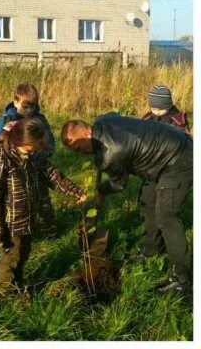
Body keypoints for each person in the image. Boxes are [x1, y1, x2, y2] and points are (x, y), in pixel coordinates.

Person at [62, 113, 193, 293]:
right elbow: (114, 116)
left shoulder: (110, 153)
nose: (80, 153)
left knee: (166, 216)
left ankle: (182, 279)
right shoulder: (101, 120)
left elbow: (119, 184)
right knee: (147, 203)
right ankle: (150, 250)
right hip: (159, 157)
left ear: (86, 134)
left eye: (79, 148)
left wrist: (101, 190)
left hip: (178, 159)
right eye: (75, 151)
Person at [0, 117, 86, 295]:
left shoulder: (33, 155)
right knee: (10, 259)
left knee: (23, 253)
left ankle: (17, 283)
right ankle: (4, 295)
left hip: (27, 218)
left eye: (34, 152)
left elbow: (52, 175)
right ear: (19, 141)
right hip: (10, 223)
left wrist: (75, 191)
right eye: (28, 151)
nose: (30, 155)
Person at [0, 83, 57, 237]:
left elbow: (50, 142)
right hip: (15, 169)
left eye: (33, 107)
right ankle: (18, 233)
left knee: (43, 200)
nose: (29, 111)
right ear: (15, 102)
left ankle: (49, 231)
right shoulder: (6, 121)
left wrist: (41, 155)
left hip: (37, 166)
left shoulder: (40, 119)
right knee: (18, 202)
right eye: (25, 107)